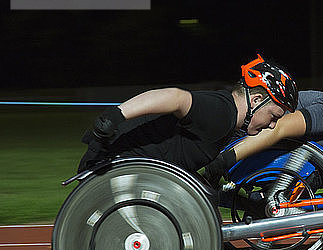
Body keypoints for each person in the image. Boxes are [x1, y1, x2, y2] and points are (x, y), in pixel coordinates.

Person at [78, 54, 298, 174]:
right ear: (257, 100)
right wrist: (115, 115)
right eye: (274, 116)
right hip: (114, 165)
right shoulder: (221, 112)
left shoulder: (230, 122)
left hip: (142, 172)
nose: (272, 125)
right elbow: (175, 98)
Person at [204, 60, 323, 184]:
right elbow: (279, 128)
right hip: (238, 153)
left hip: (243, 151)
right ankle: (279, 204)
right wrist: (226, 159)